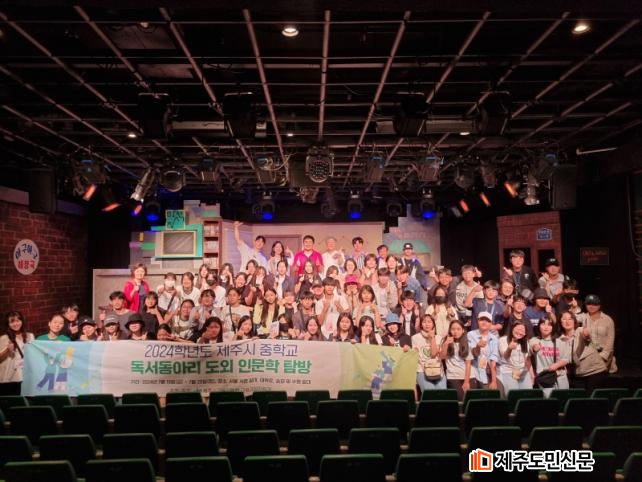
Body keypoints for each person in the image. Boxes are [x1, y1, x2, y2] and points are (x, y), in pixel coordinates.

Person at [574, 294, 616, 392]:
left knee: (595, 389)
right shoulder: (583, 317)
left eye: (594, 304)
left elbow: (610, 343)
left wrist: (602, 358)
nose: (591, 306)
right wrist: (574, 307)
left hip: (602, 359)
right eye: (589, 304)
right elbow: (569, 318)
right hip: (586, 359)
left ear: (599, 305)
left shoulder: (608, 320)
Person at [530, 317, 569, 397]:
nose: (546, 327)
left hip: (560, 376)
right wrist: (535, 347)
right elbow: (533, 347)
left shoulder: (560, 341)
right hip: (545, 377)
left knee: (564, 399)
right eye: (543, 324)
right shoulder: (534, 340)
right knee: (550, 400)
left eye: (549, 325)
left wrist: (556, 365)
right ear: (539, 326)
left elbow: (566, 359)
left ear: (553, 327)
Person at [0, 311, 34, 395]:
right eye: (12, 322)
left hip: (27, 374)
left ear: (22, 321)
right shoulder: (4, 338)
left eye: (18, 320)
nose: (15, 324)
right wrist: (7, 350)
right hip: (11, 376)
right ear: (8, 324)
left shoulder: (30, 336)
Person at [440, 319, 473, 401]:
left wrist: (466, 381)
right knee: (461, 399)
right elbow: (442, 357)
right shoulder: (445, 342)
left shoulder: (467, 343)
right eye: (453, 329)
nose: (455, 331)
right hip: (453, 376)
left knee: (470, 400)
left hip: (468, 376)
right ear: (450, 330)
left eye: (458, 329)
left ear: (463, 330)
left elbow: (468, 364)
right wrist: (446, 343)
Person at [497, 322, 533, 397]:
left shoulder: (525, 342)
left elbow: (527, 360)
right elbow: (505, 357)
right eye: (518, 329)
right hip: (508, 371)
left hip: (523, 372)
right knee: (514, 395)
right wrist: (509, 348)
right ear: (512, 328)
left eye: (522, 330)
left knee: (528, 395)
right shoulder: (503, 340)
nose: (520, 332)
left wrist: (531, 374)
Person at [412, 314, 446, 391]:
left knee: (442, 394)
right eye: (424, 322)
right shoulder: (415, 338)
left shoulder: (439, 338)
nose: (427, 324)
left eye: (429, 322)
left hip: (438, 369)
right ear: (421, 324)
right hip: (422, 370)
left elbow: (434, 354)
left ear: (433, 324)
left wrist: (432, 338)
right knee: (429, 393)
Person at [466, 312, 499, 390]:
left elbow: (493, 360)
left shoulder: (494, 338)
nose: (484, 322)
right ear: (478, 321)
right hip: (474, 370)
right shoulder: (470, 335)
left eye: (487, 320)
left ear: (490, 323)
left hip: (488, 370)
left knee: (497, 390)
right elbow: (473, 354)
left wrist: (494, 381)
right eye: (482, 320)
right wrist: (478, 346)